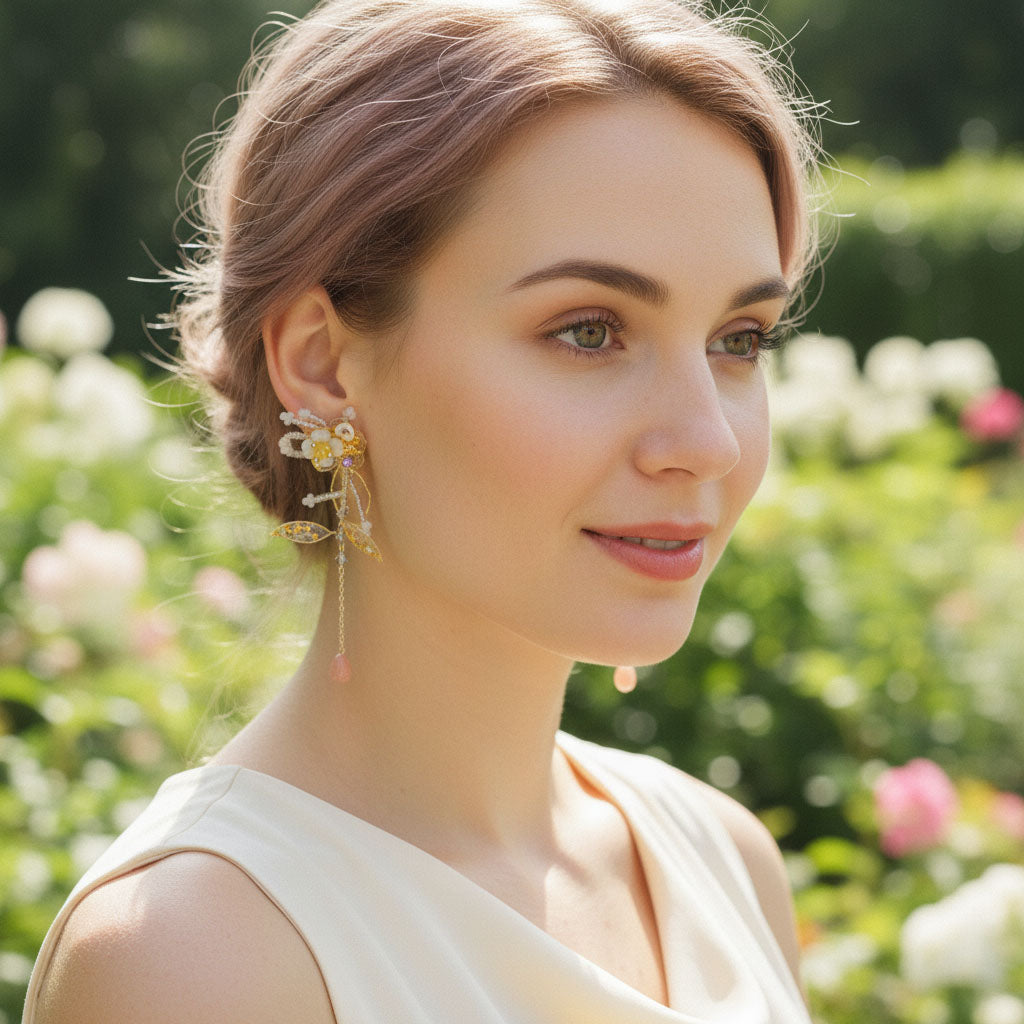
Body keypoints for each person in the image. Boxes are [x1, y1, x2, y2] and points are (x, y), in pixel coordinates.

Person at [25, 0, 825, 1020]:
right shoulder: (195, 956)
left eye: (740, 339)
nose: (709, 441)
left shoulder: (721, 859)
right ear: (322, 361)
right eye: (588, 331)